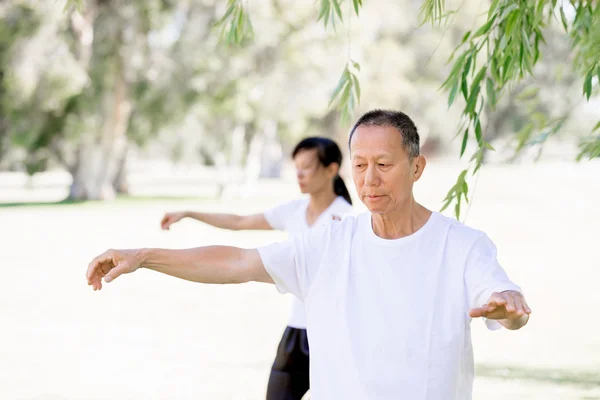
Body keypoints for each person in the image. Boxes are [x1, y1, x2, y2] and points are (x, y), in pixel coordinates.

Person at [86, 109, 531, 400]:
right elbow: (236, 261)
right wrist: (144, 255)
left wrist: (510, 307)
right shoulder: (330, 242)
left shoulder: (463, 244)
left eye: (384, 164)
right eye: (360, 164)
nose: (369, 178)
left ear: (416, 167)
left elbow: (504, 304)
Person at [158, 136, 354, 399]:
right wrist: (190, 213)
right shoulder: (293, 210)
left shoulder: (348, 219)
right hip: (297, 331)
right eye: (296, 166)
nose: (299, 174)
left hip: (334, 335)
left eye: (306, 166)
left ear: (331, 169)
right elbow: (240, 221)